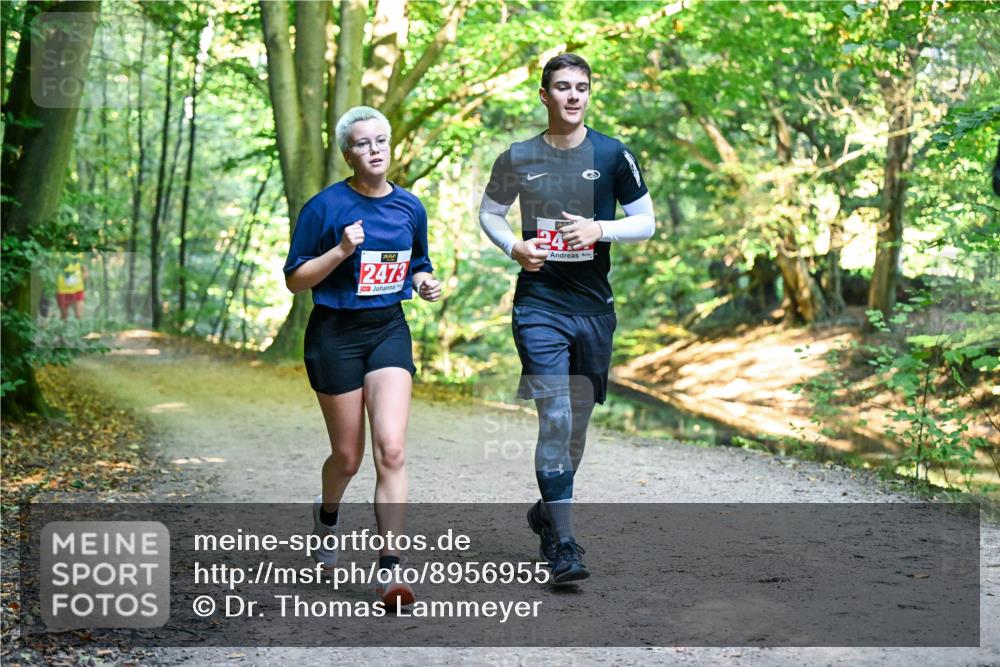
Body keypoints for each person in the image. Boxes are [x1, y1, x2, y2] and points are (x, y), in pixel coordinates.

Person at [479, 54, 656, 584]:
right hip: (539, 305)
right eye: (562, 87)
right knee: (554, 418)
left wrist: (601, 231)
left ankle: (545, 513)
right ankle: (565, 543)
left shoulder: (613, 153)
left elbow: (645, 223)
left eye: (581, 87)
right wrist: (514, 246)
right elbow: (490, 213)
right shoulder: (519, 156)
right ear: (544, 95)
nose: (573, 96)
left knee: (575, 429)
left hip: (594, 310)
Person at [283, 106, 441, 608]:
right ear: (347, 154)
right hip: (335, 335)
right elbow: (295, 279)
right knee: (348, 458)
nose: (374, 150)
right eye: (362, 143)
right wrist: (340, 252)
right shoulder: (324, 209)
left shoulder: (410, 207)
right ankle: (327, 514)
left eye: (381, 141)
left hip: (387, 329)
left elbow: (418, 262)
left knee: (391, 448)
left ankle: (391, 570)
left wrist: (423, 281)